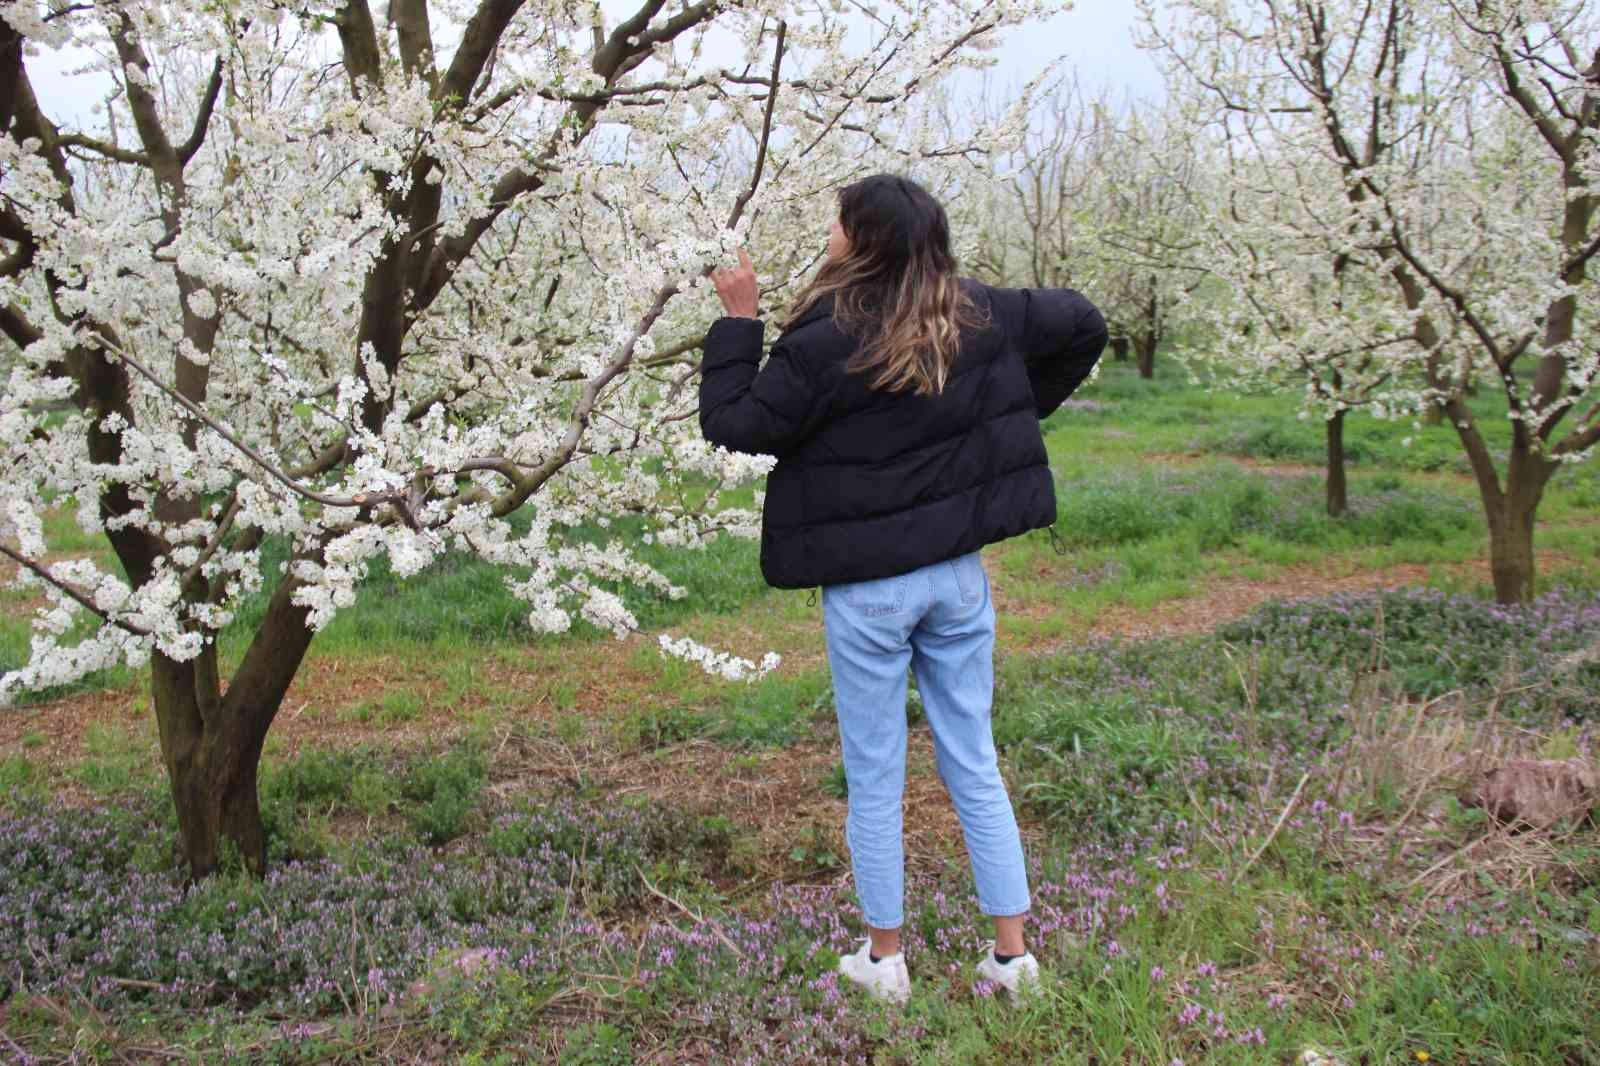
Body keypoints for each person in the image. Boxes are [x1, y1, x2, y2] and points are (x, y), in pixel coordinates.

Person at [699, 174, 1107, 1004]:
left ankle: (884, 961)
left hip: (870, 591)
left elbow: (736, 425)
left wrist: (740, 320)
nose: (829, 230)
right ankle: (1012, 958)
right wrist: (1011, 414)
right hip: (956, 579)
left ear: (865, 238)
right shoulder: (977, 310)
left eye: (838, 220)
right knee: (975, 761)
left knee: (876, 771)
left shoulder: (821, 340)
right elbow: (1084, 323)